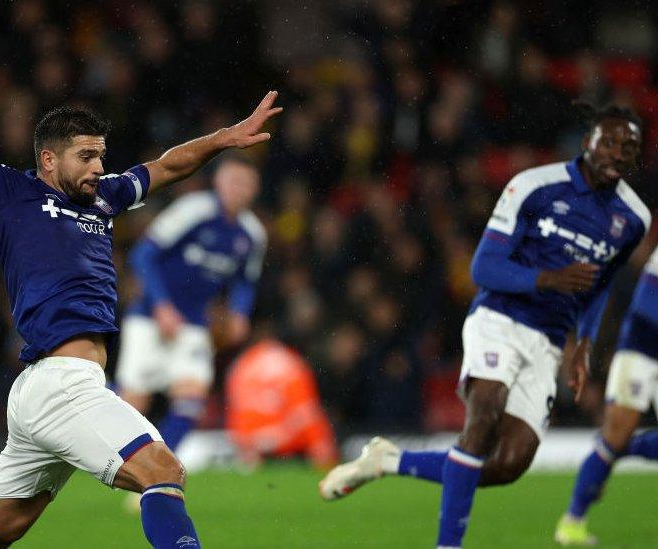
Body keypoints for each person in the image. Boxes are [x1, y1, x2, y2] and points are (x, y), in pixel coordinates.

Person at [0, 7, 282, 549]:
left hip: (48, 388)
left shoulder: (105, 199)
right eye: (86, 156)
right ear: (48, 159)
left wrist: (222, 139)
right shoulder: (9, 194)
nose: (99, 168)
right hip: (60, 386)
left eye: (101, 156)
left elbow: (166, 167)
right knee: (164, 472)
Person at [318, 102, 650, 549]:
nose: (616, 152)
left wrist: (583, 342)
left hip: (549, 341)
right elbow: (484, 268)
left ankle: (387, 462)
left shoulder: (633, 219)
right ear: (588, 139)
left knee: (507, 464)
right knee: (483, 414)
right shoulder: (534, 185)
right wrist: (547, 279)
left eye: (628, 147)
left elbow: (601, 285)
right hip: (499, 319)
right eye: (608, 141)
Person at [117, 155, 266, 460]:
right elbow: (143, 255)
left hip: (195, 323)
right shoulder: (193, 210)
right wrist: (161, 306)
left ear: (255, 189)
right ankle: (118, 463)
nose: (239, 189)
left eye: (247, 183)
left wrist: (239, 311)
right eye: (234, 180)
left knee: (192, 396)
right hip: (149, 317)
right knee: (133, 400)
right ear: (219, 182)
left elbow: (244, 281)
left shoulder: (252, 234)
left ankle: (161, 467)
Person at [555, 245, 658, 546]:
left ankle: (617, 450)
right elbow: (649, 307)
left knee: (617, 442)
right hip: (642, 345)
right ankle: (572, 523)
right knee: (617, 431)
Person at [225, 338, 337, 470]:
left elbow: (237, 412)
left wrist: (246, 443)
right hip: (290, 448)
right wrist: (321, 445)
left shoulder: (242, 365)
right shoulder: (291, 364)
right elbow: (305, 410)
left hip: (253, 446)